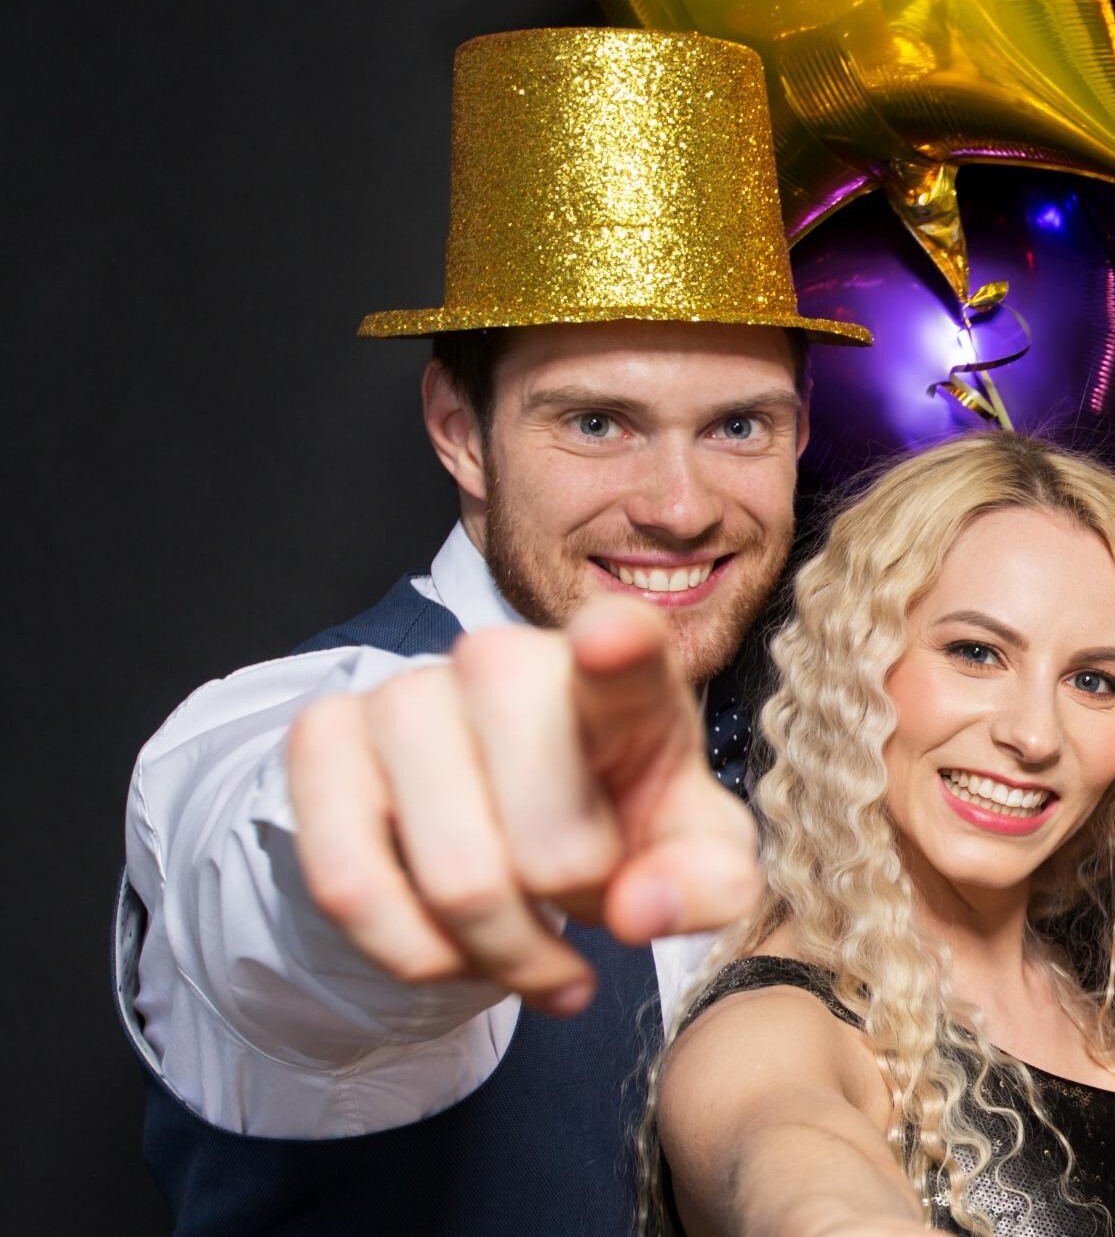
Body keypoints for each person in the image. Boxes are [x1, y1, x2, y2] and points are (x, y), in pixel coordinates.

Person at [114, 29, 870, 1235]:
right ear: (460, 431)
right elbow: (263, 877)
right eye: (598, 423)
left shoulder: (815, 747)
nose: (681, 506)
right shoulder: (276, 726)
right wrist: (393, 831)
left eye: (738, 426)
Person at [645, 434, 1115, 1235]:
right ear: (857, 670)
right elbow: (792, 1161)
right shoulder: (772, 1026)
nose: (1034, 734)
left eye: (1094, 680)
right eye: (976, 652)